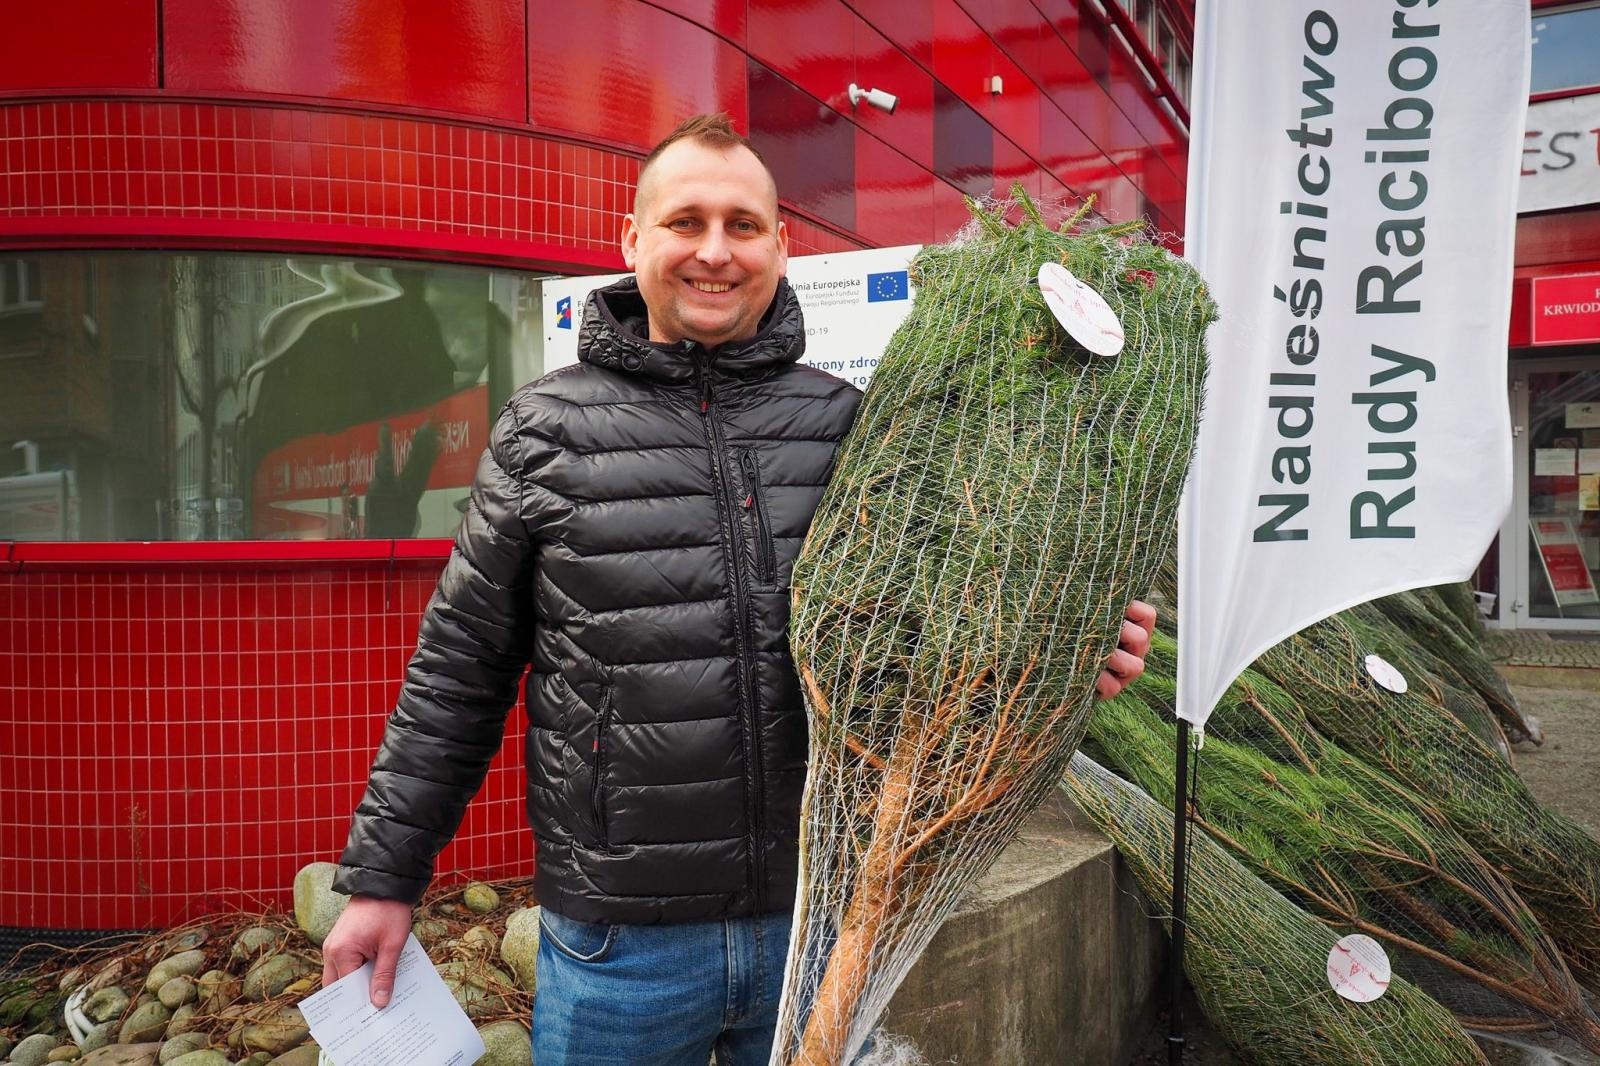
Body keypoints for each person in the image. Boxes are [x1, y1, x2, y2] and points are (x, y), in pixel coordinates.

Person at [321, 113, 1156, 1065]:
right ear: (633, 241)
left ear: (781, 246)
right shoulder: (546, 431)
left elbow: (940, 641)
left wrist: (1063, 660)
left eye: (743, 225)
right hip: (621, 945)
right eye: (685, 222)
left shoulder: (852, 428)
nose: (714, 252)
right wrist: (385, 882)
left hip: (822, 927)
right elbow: (456, 677)